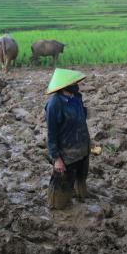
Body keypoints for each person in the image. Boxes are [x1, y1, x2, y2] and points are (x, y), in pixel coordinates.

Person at [45, 68, 91, 209]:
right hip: (67, 154)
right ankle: (57, 208)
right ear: (65, 85)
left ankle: (80, 198)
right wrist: (57, 159)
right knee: (62, 187)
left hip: (82, 149)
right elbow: (51, 134)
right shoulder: (54, 105)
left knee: (81, 179)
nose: (77, 85)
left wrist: (89, 142)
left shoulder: (77, 98)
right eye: (74, 82)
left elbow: (82, 121)